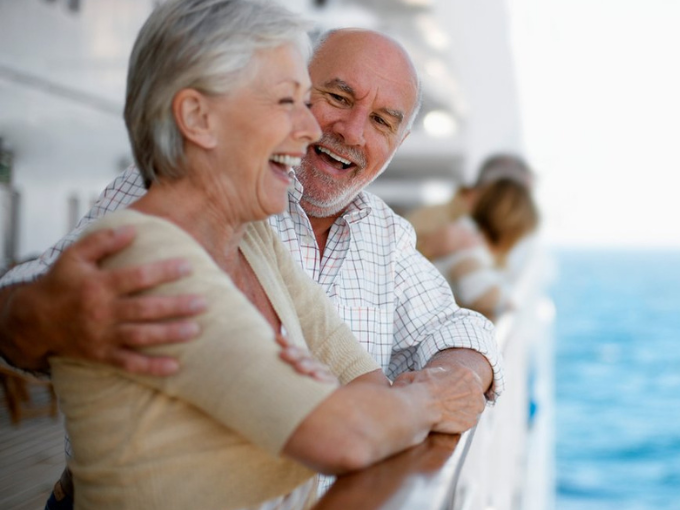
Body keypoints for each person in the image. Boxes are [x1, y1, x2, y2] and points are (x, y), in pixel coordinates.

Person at [0, 18, 498, 510]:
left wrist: (437, 384)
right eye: (312, 99)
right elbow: (339, 431)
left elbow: (391, 359)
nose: (319, 128)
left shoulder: (264, 235)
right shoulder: (162, 238)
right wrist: (423, 403)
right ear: (200, 118)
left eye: (382, 120)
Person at [430, 178, 539, 319]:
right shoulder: (467, 240)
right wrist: (509, 301)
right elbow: (478, 293)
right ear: (512, 230)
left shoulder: (469, 233)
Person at [408, 153, 535, 263]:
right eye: (517, 200)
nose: (519, 210)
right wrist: (428, 248)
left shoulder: (497, 238)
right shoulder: (430, 218)